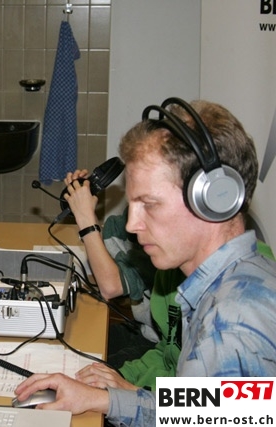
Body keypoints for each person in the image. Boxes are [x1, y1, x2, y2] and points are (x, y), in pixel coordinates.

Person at [15, 98, 276, 426]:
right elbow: (202, 411)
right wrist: (103, 399)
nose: (131, 224)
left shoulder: (232, 327)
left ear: (212, 199)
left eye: (149, 204)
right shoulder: (229, 284)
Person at [63, 170, 160, 368]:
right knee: (71, 342)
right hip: (147, 332)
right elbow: (112, 241)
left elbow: (111, 287)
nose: (132, 225)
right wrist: (83, 205)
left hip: (158, 346)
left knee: (82, 371)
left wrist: (86, 221)